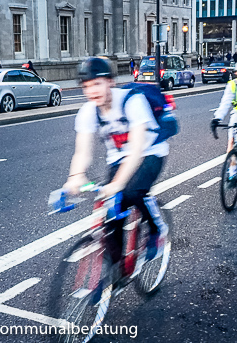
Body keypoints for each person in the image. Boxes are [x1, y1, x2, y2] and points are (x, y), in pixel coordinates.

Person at [63, 57, 169, 280]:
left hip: (150, 151)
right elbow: (82, 151)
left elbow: (138, 149)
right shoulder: (88, 112)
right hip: (118, 158)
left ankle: (157, 230)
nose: (92, 91)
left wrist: (118, 185)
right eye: (86, 86)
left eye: (97, 83)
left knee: (131, 192)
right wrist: (75, 177)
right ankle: (118, 268)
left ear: (110, 82)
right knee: (112, 216)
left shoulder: (132, 101)